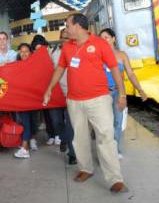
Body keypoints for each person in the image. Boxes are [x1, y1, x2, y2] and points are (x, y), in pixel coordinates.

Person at [43, 13, 128, 193]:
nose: (66, 29)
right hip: (74, 101)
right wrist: (50, 88)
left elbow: (114, 68)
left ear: (78, 26)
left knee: (105, 137)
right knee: (79, 138)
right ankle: (85, 169)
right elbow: (60, 68)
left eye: (68, 25)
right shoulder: (67, 47)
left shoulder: (99, 44)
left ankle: (115, 179)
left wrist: (122, 94)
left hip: (99, 100)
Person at [99, 28, 147, 159]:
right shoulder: (98, 55)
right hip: (102, 94)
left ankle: (115, 149)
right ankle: (106, 150)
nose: (104, 40)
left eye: (106, 37)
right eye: (101, 38)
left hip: (118, 93)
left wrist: (140, 89)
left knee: (117, 123)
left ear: (113, 38)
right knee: (104, 124)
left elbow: (130, 74)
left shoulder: (122, 55)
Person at [49, 29, 77, 165]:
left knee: (70, 125)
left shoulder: (76, 50)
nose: (65, 40)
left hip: (72, 94)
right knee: (56, 122)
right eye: (63, 38)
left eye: (68, 37)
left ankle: (72, 153)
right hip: (56, 94)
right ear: (60, 38)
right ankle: (63, 138)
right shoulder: (53, 52)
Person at [31, 35, 63, 146]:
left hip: (53, 88)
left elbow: (58, 69)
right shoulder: (34, 57)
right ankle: (51, 135)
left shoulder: (53, 53)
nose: (39, 51)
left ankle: (59, 135)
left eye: (41, 49)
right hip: (42, 89)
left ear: (45, 46)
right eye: (36, 49)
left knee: (56, 116)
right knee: (47, 116)